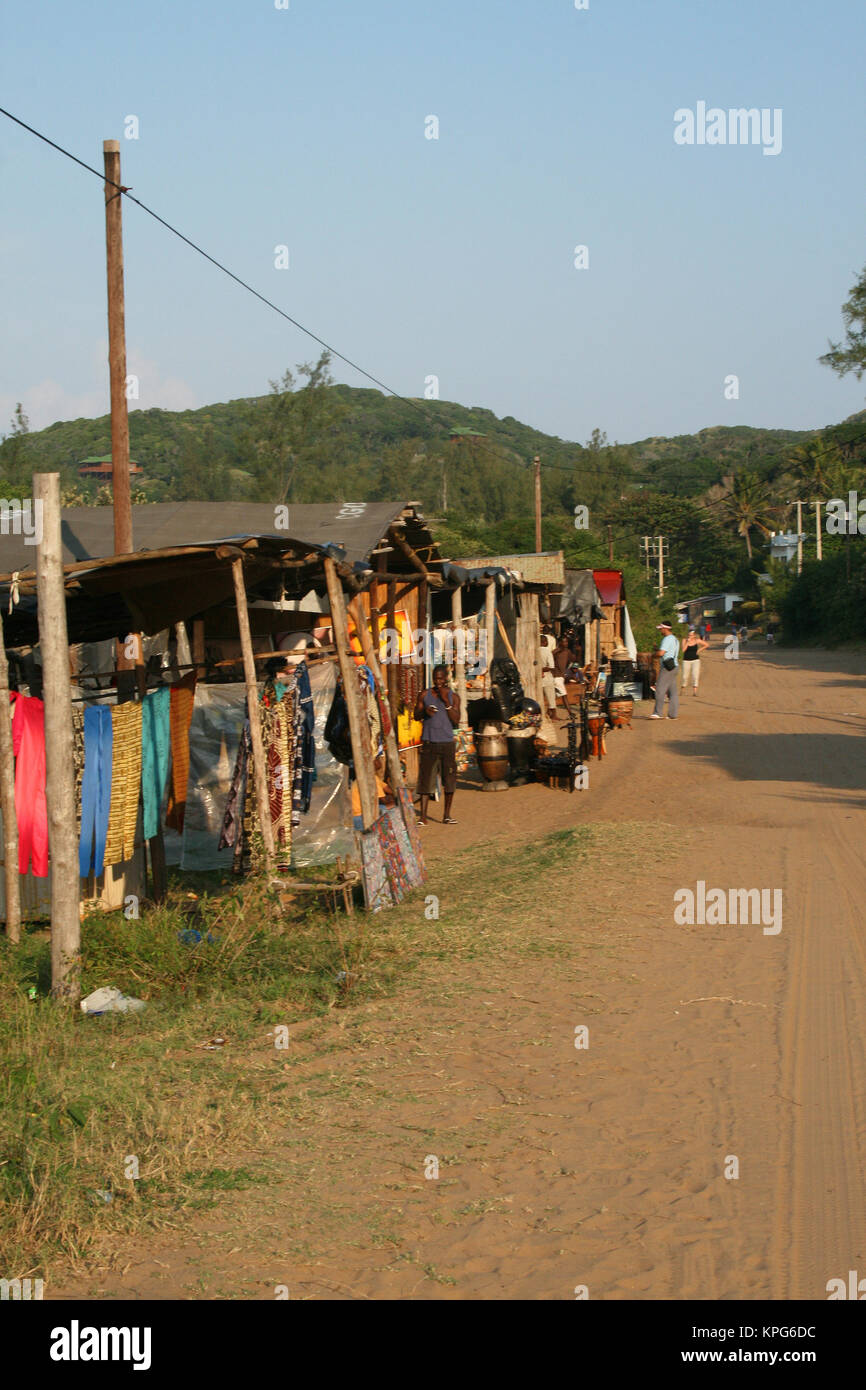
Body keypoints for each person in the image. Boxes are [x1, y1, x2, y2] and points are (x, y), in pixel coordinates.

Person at [414, 663, 460, 825]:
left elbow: (456, 720)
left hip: (446, 743)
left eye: (440, 678)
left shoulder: (453, 697)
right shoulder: (424, 694)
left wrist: (445, 702)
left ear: (446, 678)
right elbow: (416, 715)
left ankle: (446, 815)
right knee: (426, 780)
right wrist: (424, 712)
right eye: (435, 679)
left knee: (449, 779)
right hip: (429, 742)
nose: (438, 682)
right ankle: (424, 817)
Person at [651, 621, 679, 719]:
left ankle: (657, 713)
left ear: (665, 628)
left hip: (667, 668)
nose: (660, 630)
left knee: (660, 689)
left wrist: (653, 655)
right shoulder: (675, 639)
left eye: (661, 628)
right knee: (672, 692)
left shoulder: (667, 639)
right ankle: (673, 714)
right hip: (674, 666)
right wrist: (657, 649)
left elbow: (661, 653)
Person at [680, 625, 708, 696]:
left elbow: (706, 645)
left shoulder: (697, 640)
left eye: (691, 635)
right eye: (689, 635)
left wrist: (699, 650)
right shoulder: (684, 640)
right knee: (685, 676)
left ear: (694, 635)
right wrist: (687, 642)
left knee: (695, 675)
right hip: (686, 660)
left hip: (695, 660)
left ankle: (695, 692)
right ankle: (682, 689)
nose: (689, 636)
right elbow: (683, 650)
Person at [540, 624, 557, 719]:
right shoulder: (547, 651)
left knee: (540, 697)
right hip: (546, 676)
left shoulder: (535, 650)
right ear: (545, 642)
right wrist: (542, 669)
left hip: (537, 676)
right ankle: (553, 715)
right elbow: (551, 666)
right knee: (550, 696)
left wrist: (538, 670)